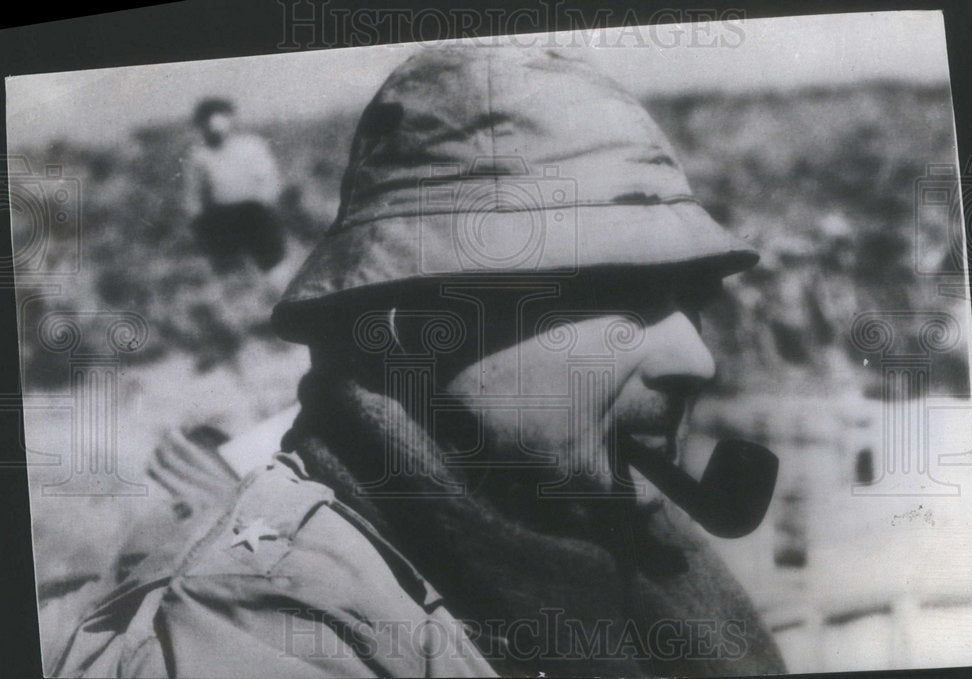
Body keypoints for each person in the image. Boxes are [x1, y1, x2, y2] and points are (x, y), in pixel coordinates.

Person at [54, 46, 786, 677]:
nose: (697, 358)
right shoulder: (279, 620)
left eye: (693, 298)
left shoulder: (617, 525)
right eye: (615, 297)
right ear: (415, 330)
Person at [183, 97, 286, 272]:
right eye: (206, 120)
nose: (214, 125)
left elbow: (269, 179)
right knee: (230, 269)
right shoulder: (199, 155)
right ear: (201, 125)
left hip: (255, 214)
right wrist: (196, 221)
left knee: (272, 265)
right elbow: (193, 192)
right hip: (220, 218)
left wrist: (266, 208)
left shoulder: (252, 145)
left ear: (230, 118)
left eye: (220, 117)